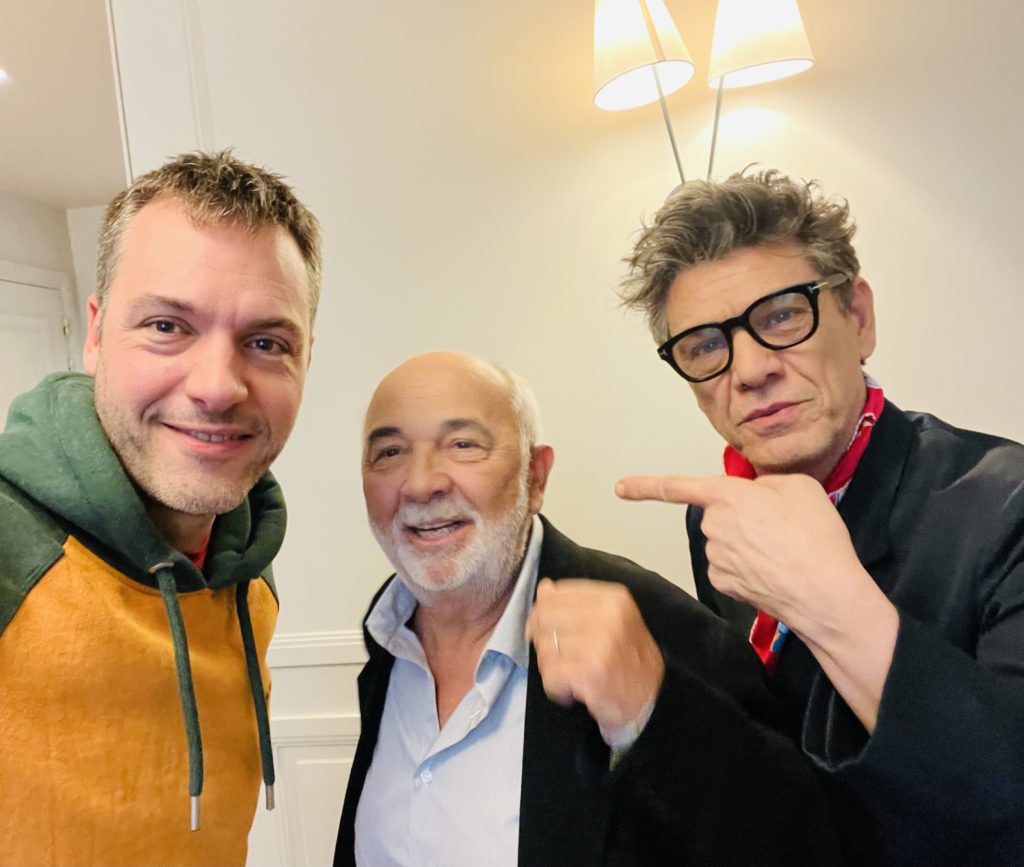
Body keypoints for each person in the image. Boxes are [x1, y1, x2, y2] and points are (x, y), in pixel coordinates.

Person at [615, 169, 1024, 864]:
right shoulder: (721, 521)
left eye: (780, 316)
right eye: (705, 346)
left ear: (858, 318)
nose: (748, 370)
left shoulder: (1004, 504)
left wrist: (825, 599)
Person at [334, 350, 841, 867]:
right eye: (389, 452)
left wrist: (654, 717)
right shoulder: (387, 633)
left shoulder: (657, 625)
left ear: (535, 477)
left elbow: (797, 843)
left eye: (463, 445)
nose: (421, 483)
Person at [0, 150, 321, 867]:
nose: (217, 386)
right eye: (167, 326)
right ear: (95, 333)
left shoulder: (248, 573)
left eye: (266, 342)